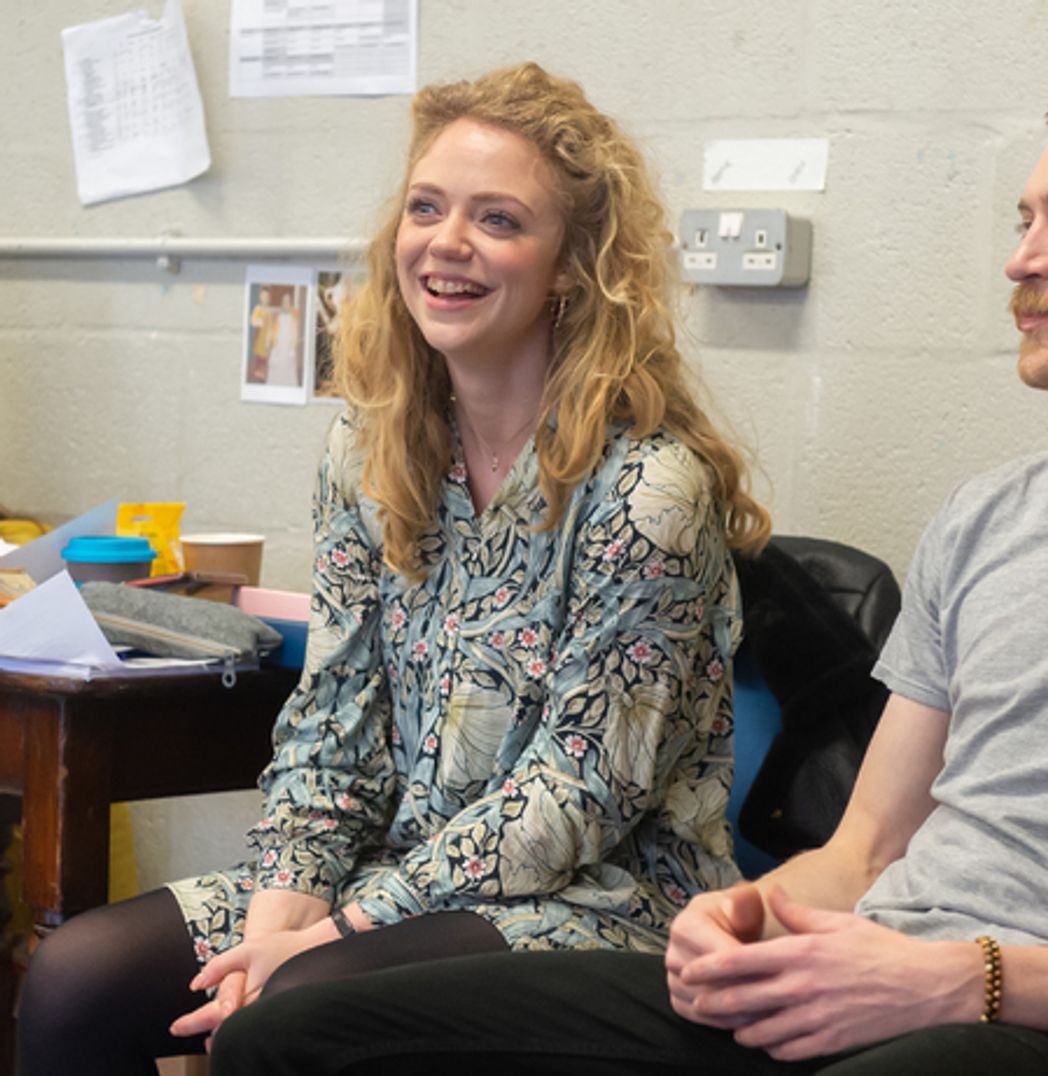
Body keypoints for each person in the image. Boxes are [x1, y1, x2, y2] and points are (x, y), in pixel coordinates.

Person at [208, 54, 1048, 1076]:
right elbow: (863, 852)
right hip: (866, 976)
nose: (1020, 259)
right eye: (1023, 219)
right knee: (290, 1033)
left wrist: (958, 977)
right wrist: (746, 911)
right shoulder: (990, 516)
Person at [16, 61, 768, 1075]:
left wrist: (328, 936)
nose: (447, 241)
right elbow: (332, 722)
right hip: (394, 876)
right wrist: (284, 903)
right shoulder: (369, 451)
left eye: (498, 219)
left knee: (303, 1003)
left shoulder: (647, 491)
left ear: (570, 267)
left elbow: (575, 801)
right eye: (426, 207)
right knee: (76, 979)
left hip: (596, 905)